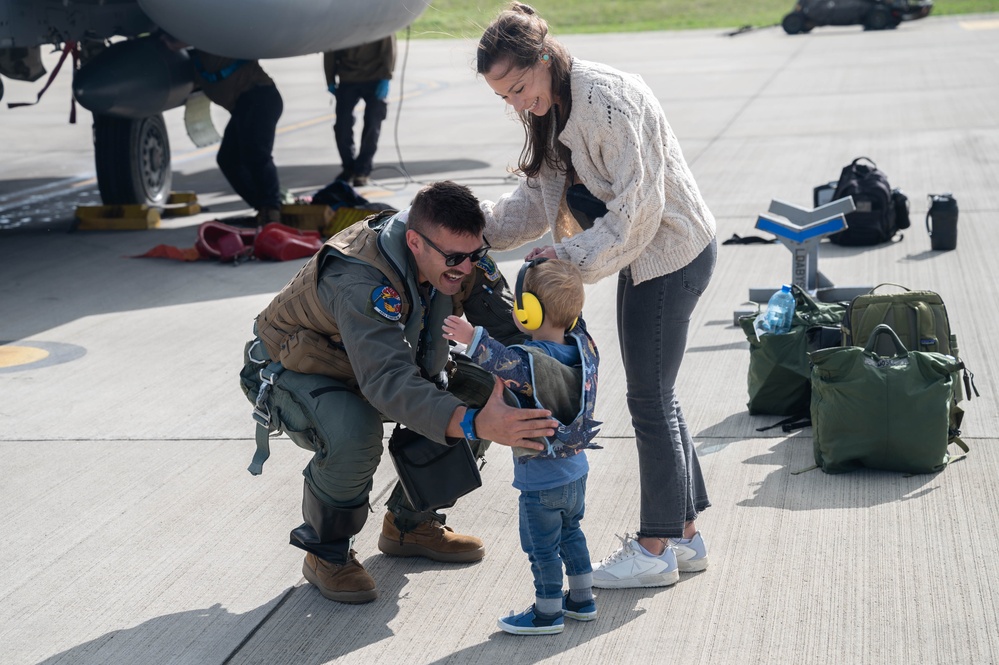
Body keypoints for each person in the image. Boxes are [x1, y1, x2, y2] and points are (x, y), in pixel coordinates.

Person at [475, 2, 718, 589]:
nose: (515, 102)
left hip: (670, 255)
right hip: (645, 259)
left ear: (542, 59)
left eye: (518, 86)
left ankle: (655, 548)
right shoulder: (551, 107)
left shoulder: (606, 100)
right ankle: (684, 537)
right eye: (503, 96)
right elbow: (534, 205)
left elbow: (640, 210)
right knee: (659, 395)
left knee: (649, 401)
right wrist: (468, 231)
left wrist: (567, 259)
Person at [240, 180, 556, 605]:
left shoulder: (458, 255)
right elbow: (388, 383)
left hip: (375, 365)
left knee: (484, 390)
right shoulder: (359, 278)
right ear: (414, 241)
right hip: (297, 371)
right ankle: (325, 552)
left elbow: (506, 331)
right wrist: (475, 424)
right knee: (355, 430)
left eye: (475, 254)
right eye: (455, 258)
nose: (466, 268)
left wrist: (557, 372)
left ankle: (410, 525)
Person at [442, 258, 600, 635]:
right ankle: (582, 599)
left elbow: (505, 362)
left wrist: (470, 336)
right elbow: (571, 320)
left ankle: (547, 613)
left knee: (541, 549)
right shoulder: (585, 349)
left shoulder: (531, 364)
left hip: (540, 483)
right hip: (576, 472)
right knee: (571, 534)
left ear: (528, 313)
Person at [189, 49, 284, 224]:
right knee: (228, 159)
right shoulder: (195, 59)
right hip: (244, 105)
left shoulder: (213, 41)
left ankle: (272, 210)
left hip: (259, 97)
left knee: (257, 155)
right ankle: (263, 207)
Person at [323, 35, 396, 187]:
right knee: (342, 126)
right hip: (348, 78)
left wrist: (386, 77)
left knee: (373, 123)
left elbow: (389, 49)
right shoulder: (340, 22)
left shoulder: (378, 18)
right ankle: (349, 168)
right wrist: (329, 79)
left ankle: (363, 170)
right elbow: (329, 49)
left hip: (375, 77)